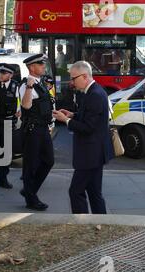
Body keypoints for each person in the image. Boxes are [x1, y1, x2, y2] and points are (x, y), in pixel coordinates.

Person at [52, 61, 114, 214]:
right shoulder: (92, 91)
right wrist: (72, 115)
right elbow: (90, 117)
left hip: (90, 155)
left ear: (85, 76)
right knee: (94, 193)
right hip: (93, 154)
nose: (71, 82)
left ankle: (82, 224)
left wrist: (66, 120)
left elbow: (88, 127)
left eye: (74, 78)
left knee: (76, 191)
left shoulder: (95, 94)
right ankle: (102, 221)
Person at [19, 54, 55, 211]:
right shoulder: (26, 85)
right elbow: (26, 106)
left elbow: (44, 105)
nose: (43, 66)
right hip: (32, 130)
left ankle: (29, 190)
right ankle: (31, 199)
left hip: (43, 128)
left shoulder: (41, 83)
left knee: (49, 161)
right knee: (30, 165)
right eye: (40, 64)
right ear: (32, 67)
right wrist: (28, 87)